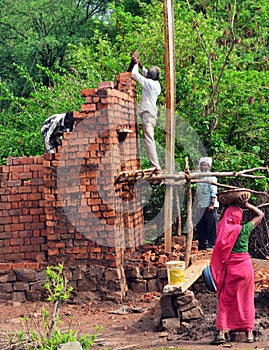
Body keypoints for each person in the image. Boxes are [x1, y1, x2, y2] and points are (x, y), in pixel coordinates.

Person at [210, 195, 264, 344]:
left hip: (230, 270)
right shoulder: (244, 229)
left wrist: (226, 209)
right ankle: (249, 335)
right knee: (246, 300)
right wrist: (246, 205)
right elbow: (261, 214)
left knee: (225, 300)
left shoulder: (222, 230)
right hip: (245, 269)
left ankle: (222, 333)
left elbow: (222, 222)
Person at [131, 55, 161, 170]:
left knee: (148, 138)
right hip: (151, 113)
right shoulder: (155, 84)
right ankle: (155, 165)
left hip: (148, 113)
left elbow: (135, 75)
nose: (147, 73)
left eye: (148, 73)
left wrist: (134, 64)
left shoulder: (150, 84)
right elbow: (145, 73)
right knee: (149, 137)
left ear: (150, 76)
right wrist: (140, 64)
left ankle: (155, 166)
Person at [196, 157, 219, 250]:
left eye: (205, 165)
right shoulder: (198, 176)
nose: (203, 166)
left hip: (210, 205)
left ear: (209, 166)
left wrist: (211, 204)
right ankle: (202, 244)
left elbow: (213, 191)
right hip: (201, 204)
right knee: (201, 225)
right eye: (202, 164)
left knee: (212, 225)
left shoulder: (211, 177)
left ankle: (212, 244)